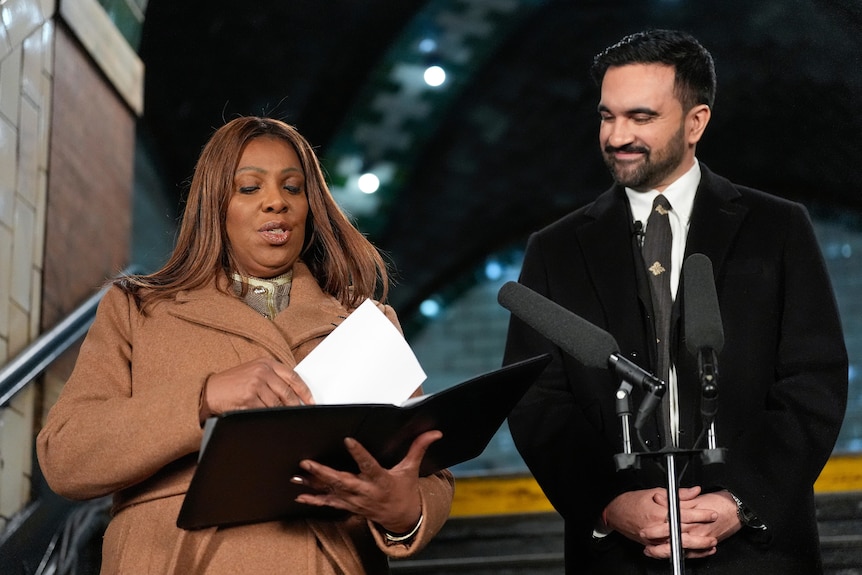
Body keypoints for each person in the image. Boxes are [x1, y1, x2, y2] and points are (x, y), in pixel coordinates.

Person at [37, 116, 454, 574]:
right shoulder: (137, 309)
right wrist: (205, 397)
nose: (277, 202)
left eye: (293, 188)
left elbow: (426, 467)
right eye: (250, 188)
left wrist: (403, 514)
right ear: (215, 204)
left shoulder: (365, 323)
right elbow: (66, 456)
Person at [504, 29, 848, 574]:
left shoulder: (778, 228)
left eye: (640, 117)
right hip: (618, 555)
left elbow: (814, 383)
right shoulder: (555, 249)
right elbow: (538, 403)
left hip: (758, 553)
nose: (617, 136)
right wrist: (610, 502)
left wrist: (737, 500)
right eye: (607, 116)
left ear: (696, 122)